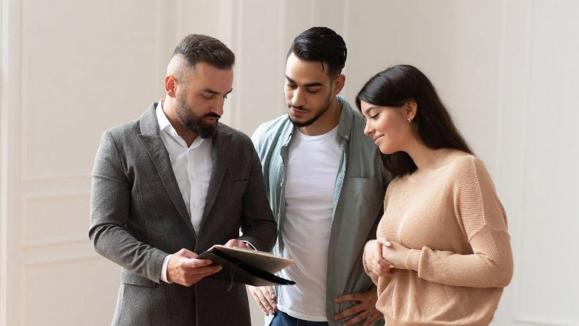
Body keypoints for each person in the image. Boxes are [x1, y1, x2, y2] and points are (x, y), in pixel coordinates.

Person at [89, 34, 277, 326]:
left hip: (225, 313)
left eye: (224, 96)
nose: (219, 108)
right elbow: (104, 230)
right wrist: (164, 265)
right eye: (208, 95)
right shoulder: (119, 143)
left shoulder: (240, 147)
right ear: (171, 86)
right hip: (149, 314)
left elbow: (263, 224)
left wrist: (247, 247)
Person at [250, 27, 389, 326]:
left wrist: (381, 295)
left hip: (352, 317)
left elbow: (405, 229)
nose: (297, 99)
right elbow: (245, 216)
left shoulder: (374, 143)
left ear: (337, 84)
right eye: (290, 85)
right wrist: (252, 275)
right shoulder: (265, 140)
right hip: (283, 314)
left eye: (312, 89)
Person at [358, 64, 513, 325]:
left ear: (409, 109)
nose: (367, 129)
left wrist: (408, 259)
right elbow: (398, 279)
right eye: (365, 119)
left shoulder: (464, 170)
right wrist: (371, 252)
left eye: (374, 115)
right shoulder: (398, 186)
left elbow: (497, 267)